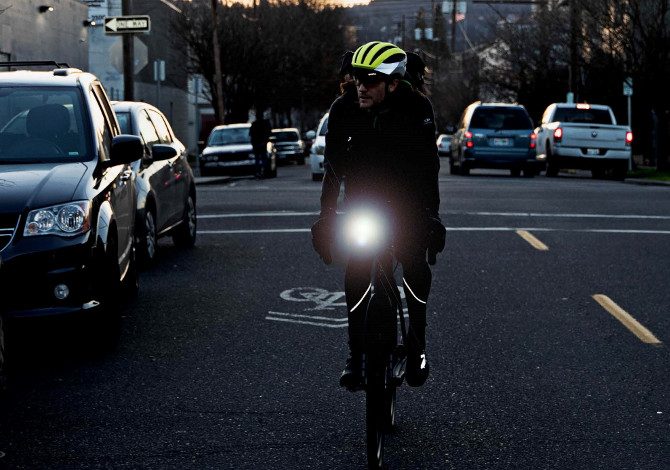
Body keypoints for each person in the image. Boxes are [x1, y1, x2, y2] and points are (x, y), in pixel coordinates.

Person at [312, 41, 446, 389]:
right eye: (357, 78)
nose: (361, 85)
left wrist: (432, 216)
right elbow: (332, 168)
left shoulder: (417, 107)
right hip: (363, 204)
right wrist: (326, 217)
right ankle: (356, 354)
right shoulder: (343, 109)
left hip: (407, 203)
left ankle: (417, 347)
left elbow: (429, 168)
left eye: (371, 79)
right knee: (357, 265)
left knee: (414, 266)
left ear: (393, 82)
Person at [249, 110, 272, 178]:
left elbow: (251, 134)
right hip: (262, 144)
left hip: (257, 144)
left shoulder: (254, 124)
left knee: (258, 159)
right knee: (263, 158)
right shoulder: (265, 124)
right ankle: (264, 172)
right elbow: (268, 133)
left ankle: (259, 172)